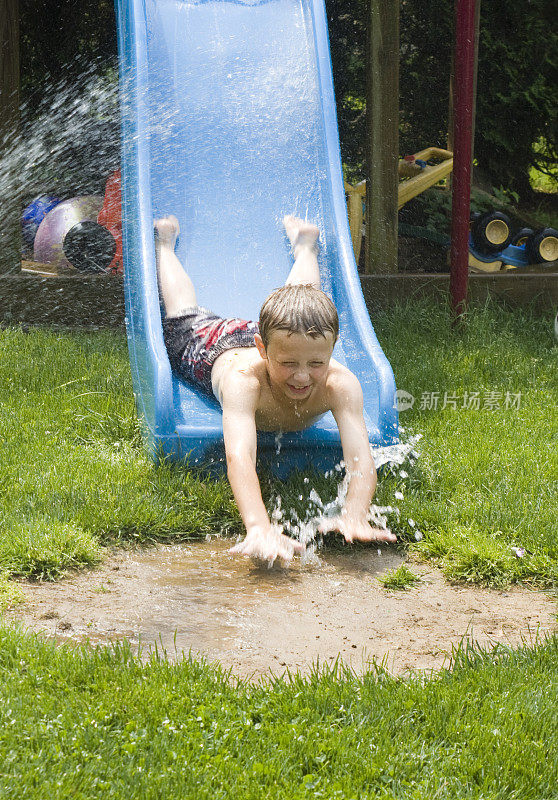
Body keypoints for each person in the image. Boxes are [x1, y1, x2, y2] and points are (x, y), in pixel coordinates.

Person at [154, 213, 397, 565]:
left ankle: (305, 247)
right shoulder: (244, 383)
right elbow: (240, 457)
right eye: (289, 366)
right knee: (183, 315)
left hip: (284, 337)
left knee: (302, 305)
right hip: (215, 348)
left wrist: (355, 514)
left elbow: (361, 458)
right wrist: (258, 526)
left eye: (317, 364)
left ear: (331, 351)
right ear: (263, 349)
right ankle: (164, 244)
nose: (302, 377)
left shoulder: (337, 381)